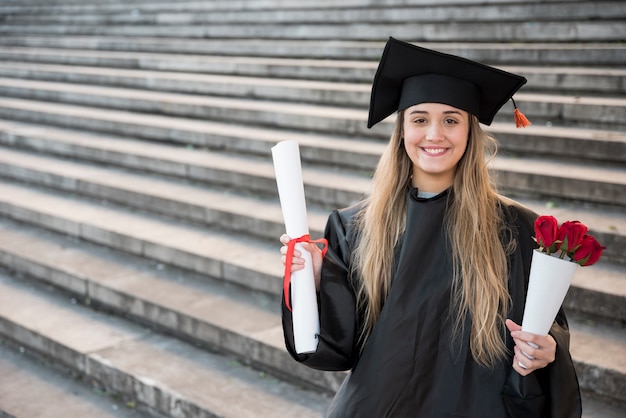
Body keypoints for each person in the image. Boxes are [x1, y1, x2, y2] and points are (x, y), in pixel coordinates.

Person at [279, 37, 582, 417]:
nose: (434, 134)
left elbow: (546, 325)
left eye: (451, 120)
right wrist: (317, 282)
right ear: (402, 131)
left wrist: (547, 348)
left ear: (470, 132)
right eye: (420, 119)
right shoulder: (353, 226)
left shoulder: (518, 228)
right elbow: (338, 347)